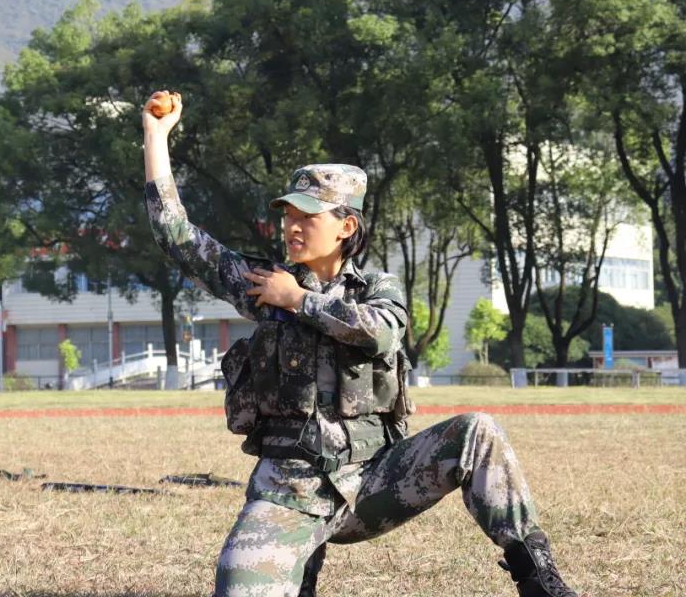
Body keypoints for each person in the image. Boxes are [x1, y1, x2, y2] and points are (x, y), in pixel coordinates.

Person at [141, 91, 576, 597]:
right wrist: (157, 135)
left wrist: (299, 300)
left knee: (477, 430)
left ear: (346, 226)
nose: (292, 226)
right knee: (238, 587)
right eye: (288, 215)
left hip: (375, 481)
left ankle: (539, 579)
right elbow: (177, 237)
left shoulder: (375, 288)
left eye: (308, 216)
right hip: (290, 490)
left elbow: (382, 331)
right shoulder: (264, 283)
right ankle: (298, 569)